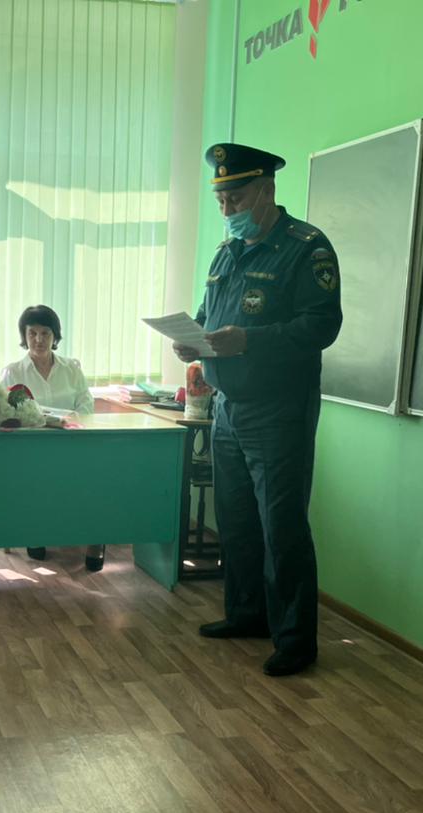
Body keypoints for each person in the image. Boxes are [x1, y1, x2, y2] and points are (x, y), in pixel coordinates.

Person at [174, 143, 342, 677]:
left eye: (236, 197)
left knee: (281, 527)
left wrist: (250, 340)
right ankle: (247, 614)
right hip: (227, 409)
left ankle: (295, 640)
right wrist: (192, 342)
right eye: (221, 200)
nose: (227, 209)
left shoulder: (305, 248)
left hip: (278, 412)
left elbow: (321, 325)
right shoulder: (227, 253)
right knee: (237, 521)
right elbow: (208, 315)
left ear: (266, 190)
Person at [0, 304, 104, 571]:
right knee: (35, 477)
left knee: (98, 475)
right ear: (24, 336)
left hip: (72, 443)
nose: (39, 339)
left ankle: (96, 540)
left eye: (45, 333)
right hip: (31, 448)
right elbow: (3, 413)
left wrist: (70, 422)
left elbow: (86, 404)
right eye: (32, 333)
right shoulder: (13, 372)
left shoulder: (72, 368)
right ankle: (36, 531)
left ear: (55, 336)